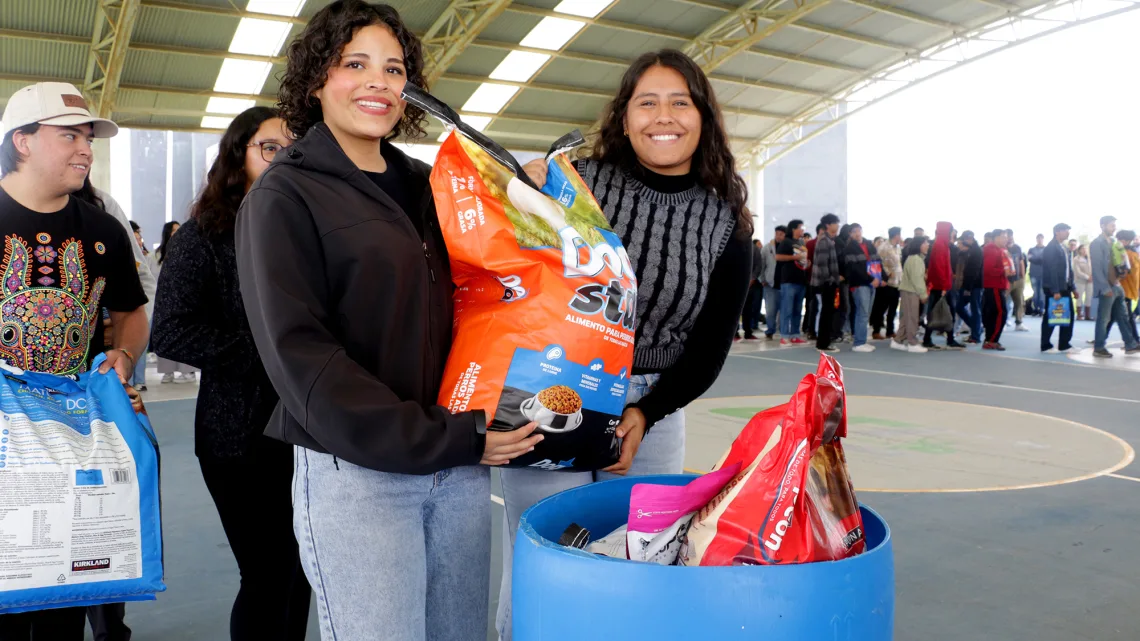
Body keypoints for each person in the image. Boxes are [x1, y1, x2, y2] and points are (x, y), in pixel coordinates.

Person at [237, 3, 547, 639]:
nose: (378, 81)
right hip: (361, 477)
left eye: (394, 68)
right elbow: (307, 363)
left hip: (458, 469)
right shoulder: (284, 197)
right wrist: (450, 437)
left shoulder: (435, 186)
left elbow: (491, 293)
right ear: (317, 80)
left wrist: (528, 203)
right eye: (356, 64)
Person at [507, 47, 752, 640]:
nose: (662, 116)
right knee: (543, 560)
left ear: (703, 118)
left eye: (679, 102)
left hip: (654, 407)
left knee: (637, 564)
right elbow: (511, 273)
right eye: (647, 102)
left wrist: (646, 412)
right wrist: (522, 186)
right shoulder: (575, 183)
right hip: (551, 389)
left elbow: (708, 347)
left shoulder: (726, 223)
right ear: (624, 117)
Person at [150, 107, 312, 641]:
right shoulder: (204, 235)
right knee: (267, 574)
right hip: (237, 436)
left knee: (303, 572)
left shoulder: (309, 233)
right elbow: (170, 331)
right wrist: (270, 351)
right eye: (270, 148)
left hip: (312, 432)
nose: (284, 157)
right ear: (236, 157)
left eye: (294, 148)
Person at [0, 81, 148, 641]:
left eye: (87, 136)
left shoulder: (102, 230)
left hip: (75, 437)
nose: (85, 148)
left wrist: (124, 356)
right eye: (69, 136)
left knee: (66, 592)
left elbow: (131, 312)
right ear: (23, 141)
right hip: (3, 446)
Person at [153, 221, 197, 384]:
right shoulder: (156, 255)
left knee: (186, 337)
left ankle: (188, 371)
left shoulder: (187, 250)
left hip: (184, 302)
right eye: (174, 231)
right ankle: (167, 372)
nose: (177, 233)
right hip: (162, 301)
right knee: (166, 337)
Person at [1091, 216, 1140, 358]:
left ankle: (1130, 344)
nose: (1114, 228)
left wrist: (1123, 271)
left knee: (1123, 316)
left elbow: (1118, 261)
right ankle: (1099, 347)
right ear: (1103, 226)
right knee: (1104, 318)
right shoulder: (1096, 243)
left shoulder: (1114, 242)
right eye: (1112, 225)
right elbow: (1097, 268)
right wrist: (1104, 288)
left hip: (1117, 285)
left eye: (1114, 225)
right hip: (1107, 286)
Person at [924, 222, 964, 350]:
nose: (953, 233)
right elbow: (940, 267)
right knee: (944, 311)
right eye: (951, 231)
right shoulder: (941, 245)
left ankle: (932, 338)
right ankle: (947, 339)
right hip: (942, 286)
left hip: (941, 284)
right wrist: (943, 286)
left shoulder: (941, 244)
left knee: (936, 311)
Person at [841, 223, 880, 352]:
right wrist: (871, 279)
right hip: (859, 284)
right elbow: (855, 269)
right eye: (854, 232)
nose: (857, 233)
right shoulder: (849, 248)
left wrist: (881, 278)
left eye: (859, 230)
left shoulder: (869, 245)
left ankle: (862, 339)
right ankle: (859, 342)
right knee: (862, 313)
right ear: (850, 234)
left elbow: (877, 262)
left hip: (872, 282)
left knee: (866, 313)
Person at [1040, 223, 1075, 353]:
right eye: (1066, 230)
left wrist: (1073, 287)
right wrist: (1055, 290)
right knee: (1051, 316)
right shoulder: (1051, 248)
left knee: (1068, 315)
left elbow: (1068, 270)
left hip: (1065, 287)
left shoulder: (1064, 248)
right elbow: (1052, 270)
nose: (1068, 233)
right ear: (1057, 232)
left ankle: (1064, 344)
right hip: (1055, 288)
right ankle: (1045, 345)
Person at [892, 236, 929, 353]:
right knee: (912, 317)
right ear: (919, 245)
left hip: (907, 290)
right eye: (925, 243)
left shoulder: (914, 258)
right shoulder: (916, 260)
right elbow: (917, 279)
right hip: (911, 292)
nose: (927, 245)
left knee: (906, 317)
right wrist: (923, 294)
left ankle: (898, 340)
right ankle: (912, 343)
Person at [812, 214, 842, 352]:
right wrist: (830, 280)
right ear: (828, 225)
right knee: (826, 312)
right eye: (835, 223)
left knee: (828, 312)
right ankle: (823, 343)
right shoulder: (824, 240)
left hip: (829, 282)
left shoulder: (830, 240)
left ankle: (825, 341)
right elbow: (822, 263)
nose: (837, 225)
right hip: (826, 283)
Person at [776, 219, 809, 345]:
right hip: (788, 280)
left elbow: (802, 258)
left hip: (801, 280)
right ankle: (784, 335)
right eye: (801, 227)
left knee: (797, 309)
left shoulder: (800, 243)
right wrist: (794, 257)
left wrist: (807, 263)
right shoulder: (786, 242)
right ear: (793, 229)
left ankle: (795, 334)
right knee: (787, 309)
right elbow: (778, 257)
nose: (802, 230)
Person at [1107, 229, 1140, 342]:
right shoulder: (1134, 253)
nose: (1117, 242)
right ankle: (1101, 337)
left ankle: (1135, 340)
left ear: (1125, 241)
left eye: (1119, 240)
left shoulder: (1126, 254)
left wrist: (1115, 280)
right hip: (1129, 289)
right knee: (1113, 315)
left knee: (1126, 316)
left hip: (1123, 288)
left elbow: (1124, 271)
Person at [982, 229, 1012, 350]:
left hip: (998, 284)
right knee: (1000, 313)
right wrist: (1004, 271)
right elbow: (988, 269)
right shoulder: (991, 250)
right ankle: (992, 340)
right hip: (994, 285)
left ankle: (990, 339)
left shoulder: (1000, 250)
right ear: (996, 238)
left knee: (994, 313)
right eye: (1004, 237)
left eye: (1006, 237)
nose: (1006, 239)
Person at [871, 227, 902, 340]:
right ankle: (876, 330)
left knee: (893, 308)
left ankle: (890, 330)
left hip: (897, 282)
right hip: (886, 282)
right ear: (895, 235)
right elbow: (879, 263)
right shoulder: (883, 247)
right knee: (881, 308)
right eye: (899, 234)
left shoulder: (897, 247)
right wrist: (887, 274)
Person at [957, 230, 985, 343]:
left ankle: (976, 336)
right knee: (959, 307)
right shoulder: (969, 251)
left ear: (970, 238)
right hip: (968, 285)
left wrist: (968, 288)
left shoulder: (976, 251)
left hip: (974, 286)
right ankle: (976, 329)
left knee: (975, 310)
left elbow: (974, 271)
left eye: (964, 240)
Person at [761, 226, 784, 339]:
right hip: (770, 284)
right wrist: (762, 280)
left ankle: (781, 330)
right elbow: (761, 265)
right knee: (770, 310)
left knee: (783, 310)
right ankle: (770, 330)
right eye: (777, 233)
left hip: (784, 283)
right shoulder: (767, 248)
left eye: (781, 234)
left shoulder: (787, 247)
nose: (778, 236)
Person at [802, 222, 823, 340]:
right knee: (812, 306)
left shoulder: (830, 243)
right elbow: (807, 262)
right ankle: (810, 329)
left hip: (823, 280)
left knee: (818, 306)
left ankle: (814, 329)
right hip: (811, 279)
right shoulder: (810, 244)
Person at [741, 238, 764, 339]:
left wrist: (752, 278)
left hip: (751, 284)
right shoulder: (735, 247)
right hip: (736, 283)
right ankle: (734, 333)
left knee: (748, 309)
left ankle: (748, 332)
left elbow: (759, 265)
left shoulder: (755, 249)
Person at [1006, 229, 1029, 331]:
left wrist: (1023, 277)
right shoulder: (1002, 248)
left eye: (1011, 236)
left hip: (1018, 280)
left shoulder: (1017, 248)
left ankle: (1019, 323)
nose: (1010, 238)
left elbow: (1021, 262)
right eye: (1007, 236)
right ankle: (1004, 322)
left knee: (1019, 302)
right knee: (1004, 302)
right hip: (1006, 280)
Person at [1027, 233, 1046, 316]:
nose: (1039, 240)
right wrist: (1039, 259)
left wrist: (1036, 259)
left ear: (1043, 239)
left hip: (1043, 274)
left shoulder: (1046, 249)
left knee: (1042, 292)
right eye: (1038, 238)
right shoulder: (1031, 249)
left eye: (1041, 238)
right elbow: (1030, 258)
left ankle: (1042, 309)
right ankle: (1035, 308)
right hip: (1033, 274)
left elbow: (1045, 259)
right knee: (1035, 292)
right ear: (1036, 239)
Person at [1073, 243, 1093, 320]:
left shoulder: (1089, 259)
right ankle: (1079, 315)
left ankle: (1087, 315)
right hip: (1080, 281)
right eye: (1082, 249)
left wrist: (1092, 277)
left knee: (1088, 297)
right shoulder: (1076, 259)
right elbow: (1078, 272)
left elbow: (1093, 268)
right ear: (1079, 250)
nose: (1084, 250)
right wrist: (1087, 277)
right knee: (1079, 297)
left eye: (1085, 249)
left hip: (1090, 281)